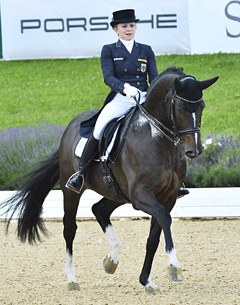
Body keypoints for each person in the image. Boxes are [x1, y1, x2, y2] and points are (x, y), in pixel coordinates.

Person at [65, 9, 159, 194]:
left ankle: (175, 179)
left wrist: (148, 93)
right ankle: (81, 173)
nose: (129, 29)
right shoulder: (109, 50)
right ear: (116, 29)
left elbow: (154, 77)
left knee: (166, 127)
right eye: (124, 26)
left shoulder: (146, 50)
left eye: (132, 25)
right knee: (99, 127)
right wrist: (125, 88)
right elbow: (108, 77)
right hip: (122, 99)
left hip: (144, 99)